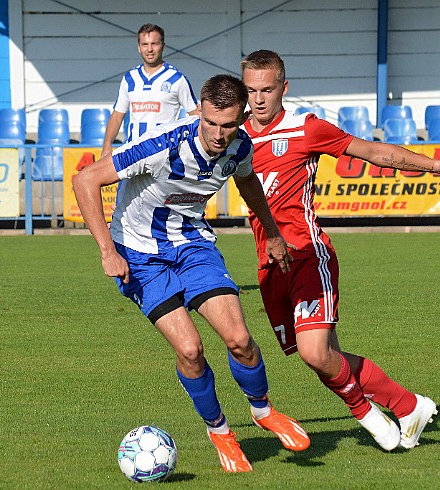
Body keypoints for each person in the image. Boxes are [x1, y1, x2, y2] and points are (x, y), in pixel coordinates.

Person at [239, 50, 440, 451]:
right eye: (251, 91)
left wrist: (438, 166)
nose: (259, 99)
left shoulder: (306, 129)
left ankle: (371, 417)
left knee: (315, 353)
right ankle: (409, 406)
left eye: (268, 89)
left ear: (285, 87)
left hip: (307, 255)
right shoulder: (235, 136)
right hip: (269, 264)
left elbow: (373, 152)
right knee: (327, 358)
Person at [73, 74, 310, 473]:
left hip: (193, 245)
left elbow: (248, 180)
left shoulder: (239, 146)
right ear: (200, 110)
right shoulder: (162, 144)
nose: (219, 134)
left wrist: (272, 233)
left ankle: (263, 410)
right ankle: (220, 432)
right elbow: (85, 179)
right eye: (211, 123)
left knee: (240, 340)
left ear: (243, 117)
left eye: (229, 125)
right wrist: (106, 251)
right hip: (140, 254)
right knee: (190, 350)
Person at [101, 23, 198, 158]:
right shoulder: (130, 79)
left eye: (154, 43)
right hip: (133, 153)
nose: (150, 49)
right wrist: (106, 146)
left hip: (165, 155)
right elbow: (117, 116)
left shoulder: (177, 79)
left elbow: (195, 114)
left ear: (163, 46)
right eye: (145, 44)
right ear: (139, 48)